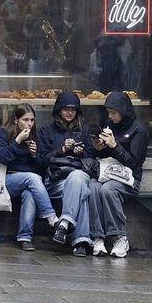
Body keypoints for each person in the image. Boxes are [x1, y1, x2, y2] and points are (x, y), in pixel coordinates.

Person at [88, 91, 149, 258]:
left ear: (123, 111)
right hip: (108, 173)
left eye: (113, 113)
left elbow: (134, 162)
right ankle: (97, 237)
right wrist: (99, 148)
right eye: (108, 112)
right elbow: (103, 156)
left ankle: (120, 237)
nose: (110, 116)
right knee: (93, 187)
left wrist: (115, 146)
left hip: (129, 179)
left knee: (108, 190)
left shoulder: (139, 130)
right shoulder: (109, 125)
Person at [37, 91, 95, 257]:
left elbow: (92, 159)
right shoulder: (46, 131)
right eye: (66, 109)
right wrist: (62, 150)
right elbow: (40, 161)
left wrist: (81, 152)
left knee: (78, 181)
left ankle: (64, 225)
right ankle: (80, 241)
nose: (70, 112)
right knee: (81, 190)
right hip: (55, 181)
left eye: (73, 109)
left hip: (78, 177)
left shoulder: (85, 132)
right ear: (58, 111)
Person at [0, 104, 58, 252]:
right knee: (32, 178)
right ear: (16, 120)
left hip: (32, 181)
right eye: (25, 120)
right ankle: (52, 218)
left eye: (32, 120)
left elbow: (42, 166)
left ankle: (25, 238)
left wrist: (35, 155)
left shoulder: (35, 135)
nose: (29, 124)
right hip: (7, 180)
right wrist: (17, 141)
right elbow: (2, 158)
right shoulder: (3, 133)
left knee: (30, 192)